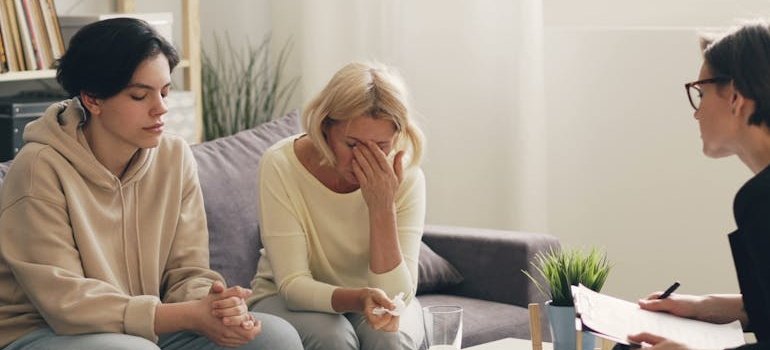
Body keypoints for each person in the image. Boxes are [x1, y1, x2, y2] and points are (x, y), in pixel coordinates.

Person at [0, 18, 302, 350]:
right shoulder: (39, 169)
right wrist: (186, 316)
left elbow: (188, 272)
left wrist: (214, 307)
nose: (161, 108)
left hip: (146, 324)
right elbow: (66, 302)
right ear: (92, 99)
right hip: (47, 331)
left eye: (165, 91)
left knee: (275, 337)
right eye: (140, 96)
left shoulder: (174, 157)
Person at [248, 61, 426, 349]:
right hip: (284, 301)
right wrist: (358, 298)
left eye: (380, 147)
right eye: (353, 145)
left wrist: (382, 207)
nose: (363, 160)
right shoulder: (280, 164)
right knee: (332, 336)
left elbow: (396, 298)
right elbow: (293, 286)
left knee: (390, 336)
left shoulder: (408, 177)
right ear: (325, 127)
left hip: (375, 300)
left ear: (396, 137)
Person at [627, 21, 770, 349]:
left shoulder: (762, 199)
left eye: (701, 93)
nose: (697, 113)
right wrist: (705, 307)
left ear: (735, 97)